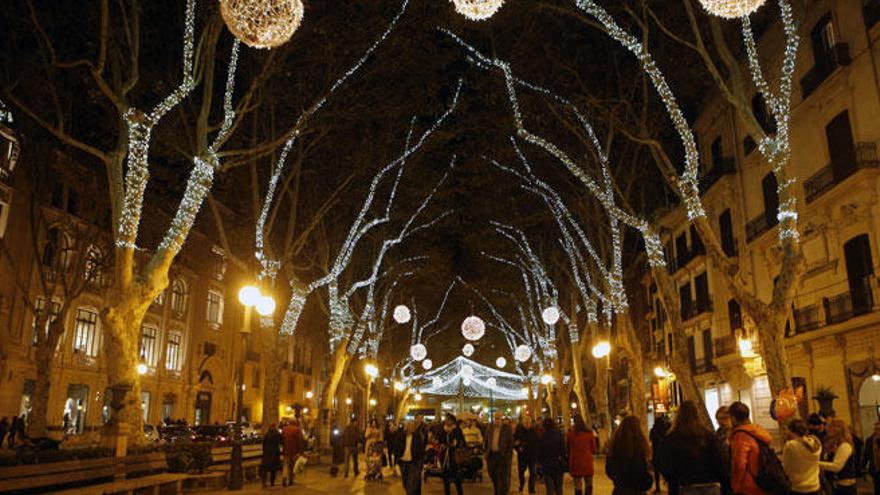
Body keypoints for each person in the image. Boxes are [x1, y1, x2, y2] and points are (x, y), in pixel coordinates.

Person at [658, 401, 727, 495]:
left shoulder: (672, 439)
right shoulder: (708, 436)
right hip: (709, 485)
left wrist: (673, 480)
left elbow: (665, 465)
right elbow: (719, 462)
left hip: (684, 485)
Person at [728, 401, 773, 495]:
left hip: (748, 485)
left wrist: (734, 487)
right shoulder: (757, 430)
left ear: (733, 418)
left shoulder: (741, 435)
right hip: (762, 481)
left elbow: (740, 464)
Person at [606, 415, 653, 495]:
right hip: (636, 491)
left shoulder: (615, 447)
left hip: (620, 490)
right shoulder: (638, 448)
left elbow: (609, 470)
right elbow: (642, 474)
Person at [781, 419, 821, 495]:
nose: (785, 432)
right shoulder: (815, 443)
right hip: (815, 485)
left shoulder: (791, 445)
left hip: (798, 487)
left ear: (791, 430)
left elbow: (786, 467)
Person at [819, 419, 858, 495]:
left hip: (846, 487)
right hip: (838, 485)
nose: (826, 430)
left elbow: (836, 467)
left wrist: (816, 463)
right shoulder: (837, 445)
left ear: (836, 430)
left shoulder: (845, 446)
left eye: (829, 427)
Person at [485, 410, 514, 495]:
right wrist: (485, 451)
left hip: (502, 456)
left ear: (501, 418)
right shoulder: (490, 427)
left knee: (502, 477)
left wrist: (508, 455)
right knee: (492, 474)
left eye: (498, 418)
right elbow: (486, 440)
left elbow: (510, 443)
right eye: (495, 418)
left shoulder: (506, 428)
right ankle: (497, 489)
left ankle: (500, 492)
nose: (496, 420)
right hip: (491, 455)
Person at [568, 414, 597, 495]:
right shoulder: (589, 433)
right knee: (589, 483)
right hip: (587, 461)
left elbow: (568, 448)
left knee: (577, 485)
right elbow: (594, 449)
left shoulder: (570, 434)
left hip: (576, 461)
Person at [395, 421, 426, 495]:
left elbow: (421, 450)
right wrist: (397, 459)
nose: (413, 428)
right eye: (411, 426)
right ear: (407, 427)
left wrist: (421, 463)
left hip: (413, 463)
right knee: (405, 483)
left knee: (411, 485)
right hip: (403, 462)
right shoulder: (401, 436)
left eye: (413, 426)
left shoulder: (417, 437)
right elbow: (396, 448)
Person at [538, 417, 567, 495]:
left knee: (550, 489)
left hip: (547, 465)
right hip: (558, 464)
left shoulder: (543, 436)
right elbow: (563, 450)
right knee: (559, 487)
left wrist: (540, 463)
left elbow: (540, 452)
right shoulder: (559, 434)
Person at [440, 413, 466, 495]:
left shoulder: (457, 430)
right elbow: (440, 440)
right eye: (445, 419)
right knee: (445, 477)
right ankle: (447, 492)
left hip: (453, 456)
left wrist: (456, 443)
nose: (446, 421)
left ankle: (460, 492)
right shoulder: (442, 430)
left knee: (456, 476)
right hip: (444, 456)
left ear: (452, 421)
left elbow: (462, 442)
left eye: (448, 419)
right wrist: (441, 445)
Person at [514, 415, 539, 494]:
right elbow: (515, 442)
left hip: (532, 456)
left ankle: (531, 487)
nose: (527, 424)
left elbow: (537, 443)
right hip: (522, 456)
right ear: (523, 423)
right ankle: (522, 484)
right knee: (521, 472)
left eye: (529, 422)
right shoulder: (519, 431)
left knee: (533, 473)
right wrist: (518, 448)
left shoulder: (534, 431)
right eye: (526, 422)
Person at [281, 419, 306, 486]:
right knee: (292, 466)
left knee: (285, 465)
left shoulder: (284, 429)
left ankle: (284, 477)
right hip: (294, 451)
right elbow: (300, 441)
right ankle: (291, 480)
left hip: (286, 450)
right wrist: (301, 451)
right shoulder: (297, 430)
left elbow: (282, 440)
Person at [650, 415, 671, 493]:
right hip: (664, 454)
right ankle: (668, 484)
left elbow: (651, 440)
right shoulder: (665, 430)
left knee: (656, 472)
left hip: (656, 453)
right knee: (665, 471)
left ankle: (658, 487)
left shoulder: (653, 431)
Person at [260, 423, 283, 488]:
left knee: (266, 469)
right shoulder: (276, 434)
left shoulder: (267, 435)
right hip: (274, 454)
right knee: (273, 469)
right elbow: (281, 440)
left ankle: (264, 483)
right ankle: (272, 483)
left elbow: (264, 444)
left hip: (267, 454)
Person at [861, 421, 880, 495]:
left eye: (879, 429)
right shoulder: (869, 440)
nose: (878, 431)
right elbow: (866, 455)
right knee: (877, 487)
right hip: (875, 469)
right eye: (876, 429)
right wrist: (862, 466)